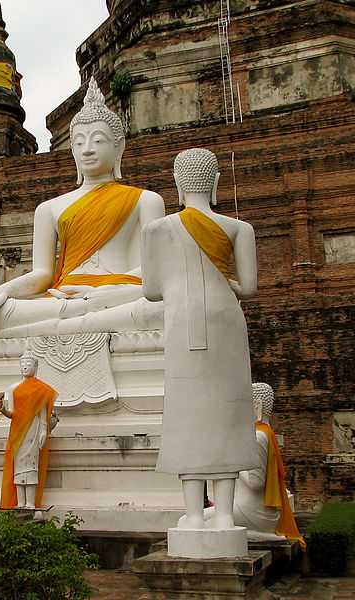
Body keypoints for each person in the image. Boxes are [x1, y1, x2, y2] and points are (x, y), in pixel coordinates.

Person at [0, 77, 165, 340]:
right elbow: (43, 274)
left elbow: (153, 273)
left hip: (115, 295)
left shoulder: (145, 200)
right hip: (61, 299)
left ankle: (71, 319)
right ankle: (80, 316)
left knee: (162, 307)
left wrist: (102, 292)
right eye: (79, 142)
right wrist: (2, 291)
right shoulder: (49, 208)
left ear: (119, 146)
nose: (87, 150)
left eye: (98, 140)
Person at [141, 147, 258, 530]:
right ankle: (224, 515)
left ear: (176, 184)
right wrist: (220, 280)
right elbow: (250, 287)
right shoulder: (239, 228)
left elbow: (151, 290)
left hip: (182, 320)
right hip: (226, 321)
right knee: (226, 414)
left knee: (187, 415)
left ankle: (193, 515)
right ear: (216, 182)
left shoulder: (157, 229)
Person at [205, 383, 305, 546]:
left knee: (192, 523)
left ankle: (257, 534)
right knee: (197, 520)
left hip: (255, 513)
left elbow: (255, 483)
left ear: (257, 405)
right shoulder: (266, 432)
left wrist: (233, 461)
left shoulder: (258, 437)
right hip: (254, 509)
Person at [0, 353, 58, 510]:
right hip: (18, 431)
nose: (25, 366)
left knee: (31, 464)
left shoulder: (41, 389)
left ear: (36, 367)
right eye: (22, 363)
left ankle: (30, 502)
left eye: (29, 364)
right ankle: (20, 502)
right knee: (18, 465)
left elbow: (42, 413)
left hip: (34, 429)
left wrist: (44, 430)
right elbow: (12, 413)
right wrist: (2, 409)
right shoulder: (14, 389)